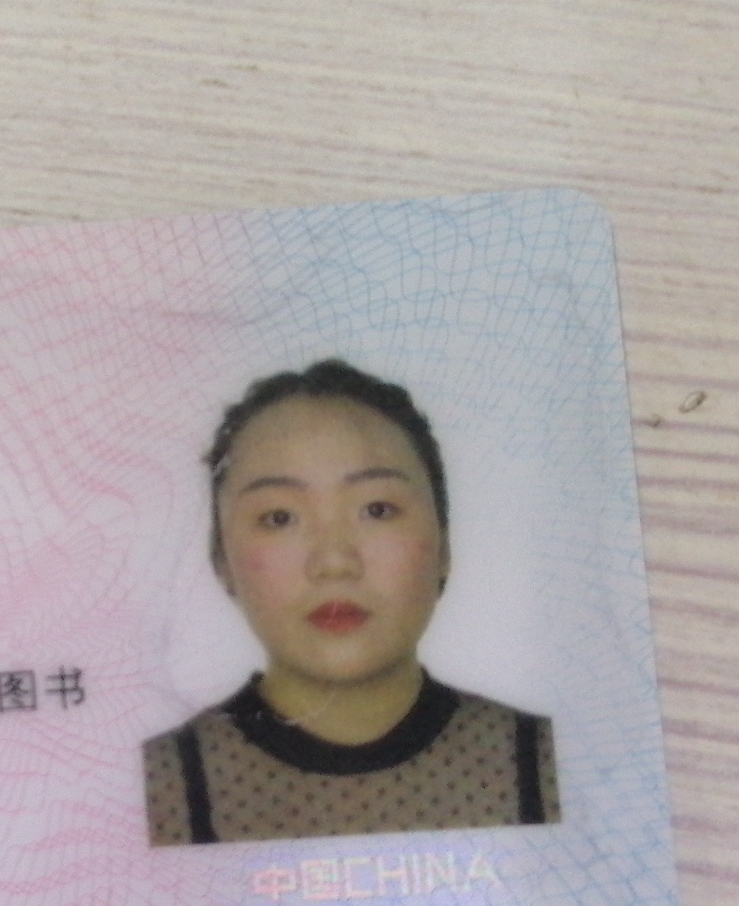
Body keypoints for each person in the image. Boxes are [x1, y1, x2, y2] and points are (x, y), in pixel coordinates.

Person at [146, 359, 560, 845]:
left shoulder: (546, 765)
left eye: (377, 510)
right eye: (279, 518)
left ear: (444, 546)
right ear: (221, 561)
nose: (334, 562)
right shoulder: (161, 786)